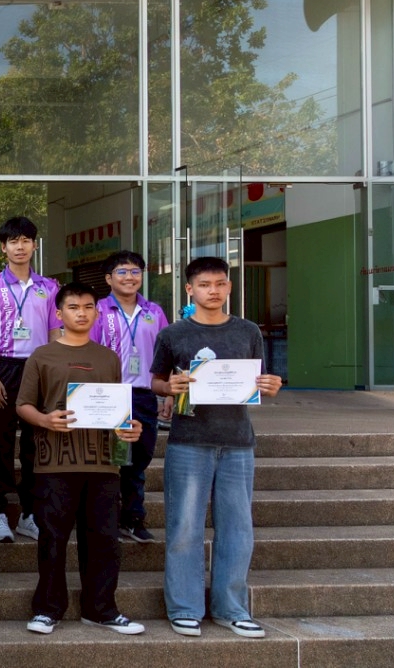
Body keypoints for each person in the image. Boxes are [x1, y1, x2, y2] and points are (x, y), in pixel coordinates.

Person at [152, 256, 283, 640]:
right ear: (189, 289)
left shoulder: (247, 331)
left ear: (229, 286)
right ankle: (184, 608)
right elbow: (155, 380)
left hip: (238, 441)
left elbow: (258, 380)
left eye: (220, 283)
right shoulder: (173, 334)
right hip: (189, 441)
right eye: (205, 284)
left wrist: (270, 386)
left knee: (237, 529)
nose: (213, 291)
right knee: (184, 528)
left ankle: (232, 609)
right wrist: (169, 387)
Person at [17, 282, 146, 636]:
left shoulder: (108, 358)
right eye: (73, 307)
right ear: (59, 313)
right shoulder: (42, 356)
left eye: (88, 307)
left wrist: (128, 427)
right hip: (54, 463)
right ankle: (47, 609)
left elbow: (116, 408)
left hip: (103, 463)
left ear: (97, 312)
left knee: (104, 540)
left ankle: (101, 609)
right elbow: (23, 405)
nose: (82, 313)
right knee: (52, 540)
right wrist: (45, 420)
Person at [0, 215, 57, 544]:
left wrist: (51, 371)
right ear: (3, 248)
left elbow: (54, 331)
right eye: (13, 241)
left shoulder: (49, 288)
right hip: (2, 367)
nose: (20, 247)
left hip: (38, 367)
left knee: (36, 443)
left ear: (34, 246)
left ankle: (29, 513)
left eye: (26, 241)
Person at [93, 250, 171, 543]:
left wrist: (168, 392)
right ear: (108, 279)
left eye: (135, 271)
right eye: (122, 272)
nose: (129, 277)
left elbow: (166, 355)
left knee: (139, 459)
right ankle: (107, 518)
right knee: (110, 459)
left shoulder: (154, 312)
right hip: (109, 394)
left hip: (143, 395)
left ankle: (133, 519)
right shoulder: (98, 310)